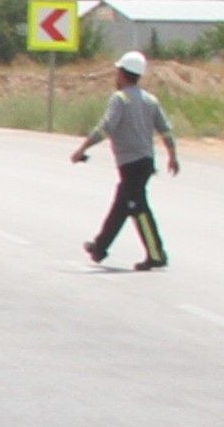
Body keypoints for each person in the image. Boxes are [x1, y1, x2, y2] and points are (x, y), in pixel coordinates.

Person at [71, 50, 173, 267]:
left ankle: (156, 254)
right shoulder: (150, 100)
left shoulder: (120, 99)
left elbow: (106, 127)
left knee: (138, 208)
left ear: (122, 74)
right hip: (145, 162)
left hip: (131, 165)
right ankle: (100, 248)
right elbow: (165, 130)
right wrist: (173, 156)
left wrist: (82, 148)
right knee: (122, 205)